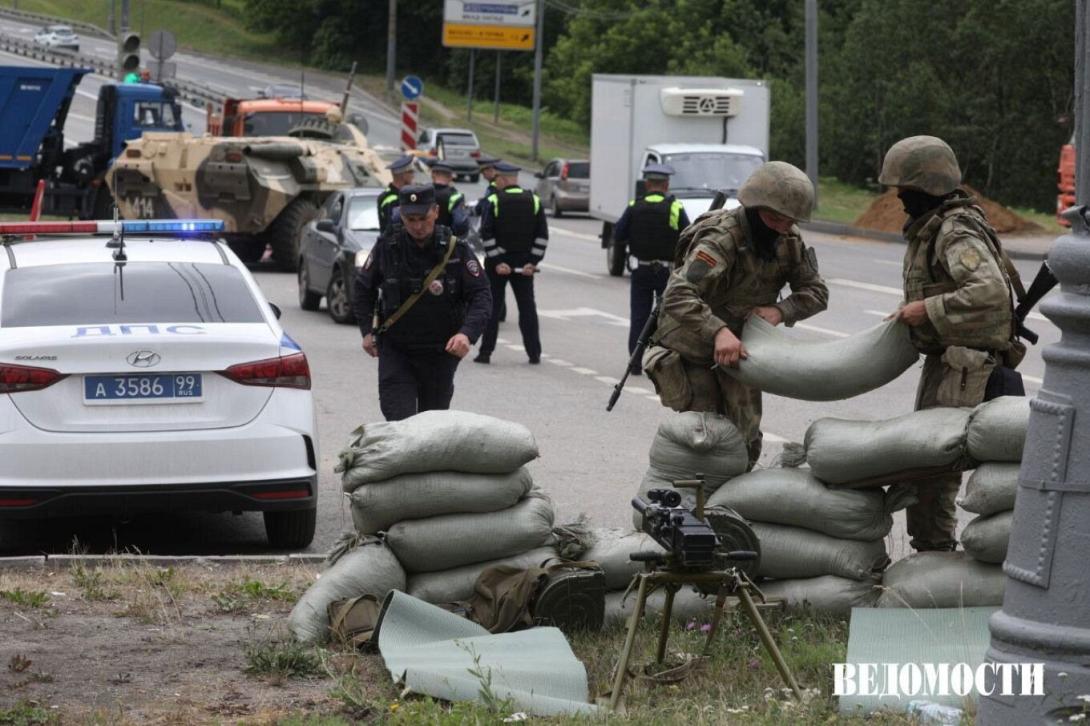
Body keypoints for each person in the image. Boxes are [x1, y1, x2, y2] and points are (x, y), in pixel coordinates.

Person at [880, 135, 1020, 552]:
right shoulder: (939, 226)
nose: (900, 198)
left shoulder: (954, 230)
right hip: (953, 364)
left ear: (927, 187)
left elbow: (989, 291)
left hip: (965, 370)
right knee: (929, 463)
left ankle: (935, 550)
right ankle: (934, 550)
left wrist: (927, 309)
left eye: (906, 189)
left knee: (935, 467)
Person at [644, 161, 828, 467]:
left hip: (741, 351)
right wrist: (718, 331)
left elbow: (816, 293)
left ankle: (729, 506)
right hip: (694, 349)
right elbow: (677, 294)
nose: (782, 228)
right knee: (706, 437)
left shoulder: (789, 241)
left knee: (746, 439)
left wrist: (780, 311)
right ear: (754, 209)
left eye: (789, 221)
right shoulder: (721, 239)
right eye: (774, 219)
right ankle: (693, 507)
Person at [353, 184, 492, 421]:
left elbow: (482, 295)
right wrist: (367, 331)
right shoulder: (388, 246)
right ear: (401, 215)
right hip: (397, 350)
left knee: (431, 427)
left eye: (423, 218)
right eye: (410, 219)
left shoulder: (455, 250)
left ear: (436, 212)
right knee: (400, 423)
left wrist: (466, 334)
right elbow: (363, 288)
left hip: (439, 353)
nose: (417, 226)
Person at [612, 163, 691, 375]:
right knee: (666, 317)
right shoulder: (675, 207)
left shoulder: (634, 206)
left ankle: (635, 363)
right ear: (666, 184)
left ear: (647, 184)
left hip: (641, 270)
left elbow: (618, 235)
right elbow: (688, 236)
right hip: (666, 272)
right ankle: (662, 363)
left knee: (639, 315)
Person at [475, 161, 548, 364]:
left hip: (498, 266)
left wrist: (498, 261)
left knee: (492, 309)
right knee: (527, 309)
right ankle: (534, 354)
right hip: (525, 266)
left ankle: (485, 353)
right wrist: (532, 262)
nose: (495, 181)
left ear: (504, 179)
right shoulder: (533, 200)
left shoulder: (494, 200)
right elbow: (542, 236)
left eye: (496, 178)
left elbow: (486, 234)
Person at [429, 160, 471, 236]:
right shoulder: (455, 196)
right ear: (451, 177)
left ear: (433, 175)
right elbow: (460, 223)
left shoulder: (423, 191)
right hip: (444, 240)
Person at [377, 156, 416, 235]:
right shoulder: (392, 200)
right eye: (411, 172)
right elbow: (394, 228)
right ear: (403, 175)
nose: (413, 175)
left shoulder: (398, 195)